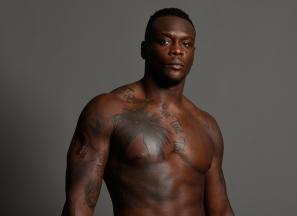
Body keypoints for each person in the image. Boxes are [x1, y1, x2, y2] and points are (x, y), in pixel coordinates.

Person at [62, 8, 234, 216]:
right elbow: (78, 206)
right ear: (144, 49)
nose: (177, 50)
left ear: (193, 53)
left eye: (186, 44)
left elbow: (221, 210)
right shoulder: (108, 110)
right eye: (165, 41)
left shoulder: (207, 126)